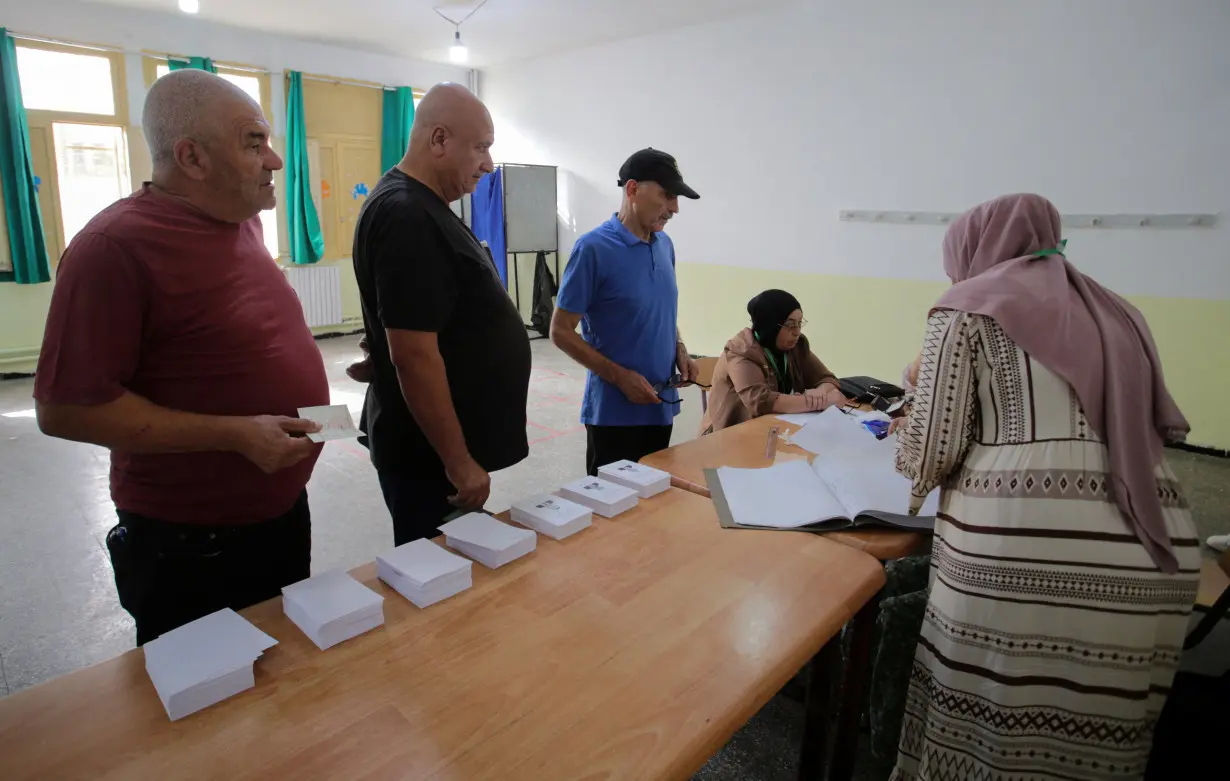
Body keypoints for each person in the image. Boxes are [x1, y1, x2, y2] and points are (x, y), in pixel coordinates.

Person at [890, 194, 1201, 780]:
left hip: (1023, 552)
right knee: (1088, 744)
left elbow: (931, 450)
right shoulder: (1121, 313)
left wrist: (907, 435)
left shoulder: (963, 307)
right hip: (1157, 550)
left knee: (992, 737)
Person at [33, 69, 329, 646]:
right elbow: (64, 410)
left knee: (282, 687)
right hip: (192, 545)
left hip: (279, 514)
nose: (274, 160)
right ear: (192, 157)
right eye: (252, 143)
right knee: (203, 709)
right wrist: (236, 435)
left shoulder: (242, 223)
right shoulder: (112, 248)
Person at [352, 83, 531, 546]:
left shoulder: (420, 206)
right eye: (481, 148)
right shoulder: (407, 214)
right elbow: (414, 356)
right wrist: (458, 462)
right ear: (438, 141)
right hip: (428, 460)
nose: (488, 165)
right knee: (438, 584)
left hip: (430, 455)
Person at [551, 148, 700, 475]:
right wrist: (621, 377)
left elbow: (660, 309)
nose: (674, 208)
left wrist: (679, 348)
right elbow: (560, 332)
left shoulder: (664, 245)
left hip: (660, 408)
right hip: (614, 416)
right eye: (668, 196)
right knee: (611, 515)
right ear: (632, 189)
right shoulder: (593, 249)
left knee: (654, 508)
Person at [700, 289, 846, 433]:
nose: (797, 332)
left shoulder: (796, 345)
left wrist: (820, 392)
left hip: (767, 428)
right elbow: (761, 401)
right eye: (790, 325)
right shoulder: (741, 351)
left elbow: (827, 378)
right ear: (770, 326)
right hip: (725, 437)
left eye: (799, 323)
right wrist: (822, 402)